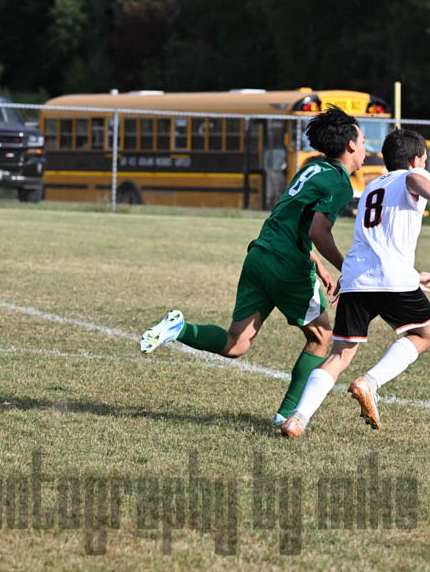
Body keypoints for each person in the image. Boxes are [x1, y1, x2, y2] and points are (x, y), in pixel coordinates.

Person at [139, 105, 367, 424]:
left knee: (236, 344)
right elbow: (318, 230)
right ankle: (287, 415)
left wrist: (317, 263)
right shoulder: (341, 182)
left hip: (260, 254)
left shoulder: (311, 169)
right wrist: (348, 268)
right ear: (351, 145)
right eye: (365, 140)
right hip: (287, 265)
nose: (366, 148)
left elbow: (292, 221)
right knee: (320, 339)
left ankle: (179, 328)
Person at [281, 128, 430, 438]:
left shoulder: (371, 186)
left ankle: (297, 419)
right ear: (413, 160)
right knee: (424, 333)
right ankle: (370, 382)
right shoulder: (413, 177)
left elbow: (380, 240)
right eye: (423, 162)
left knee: (340, 355)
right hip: (389, 278)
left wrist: (413, 274)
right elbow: (415, 181)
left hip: (358, 279)